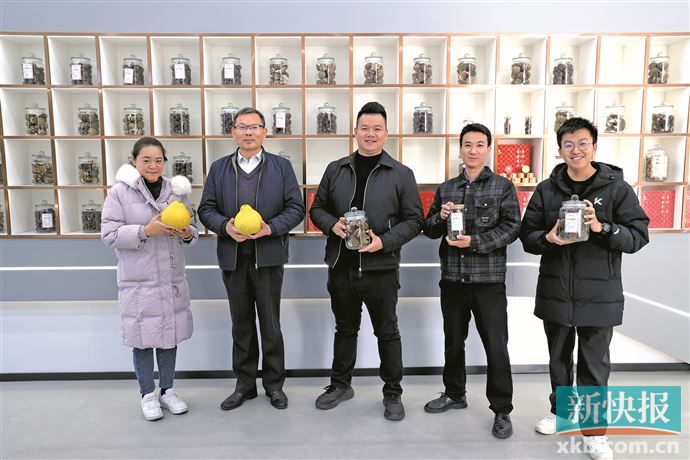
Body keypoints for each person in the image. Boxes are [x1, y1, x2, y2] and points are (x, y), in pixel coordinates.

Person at [520, 117, 649, 460]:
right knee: (558, 360)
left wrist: (602, 227)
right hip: (556, 291)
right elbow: (527, 236)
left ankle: (594, 433)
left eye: (582, 143)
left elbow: (638, 236)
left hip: (599, 295)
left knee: (594, 365)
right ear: (560, 149)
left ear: (594, 147)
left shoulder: (616, 189)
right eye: (568, 144)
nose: (575, 150)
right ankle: (562, 412)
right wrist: (548, 238)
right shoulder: (547, 189)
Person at [309, 102, 423, 421]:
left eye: (377, 129)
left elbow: (415, 220)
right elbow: (316, 208)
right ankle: (340, 385)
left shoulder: (401, 174)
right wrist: (331, 225)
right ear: (355, 131)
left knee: (387, 332)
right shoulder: (336, 169)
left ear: (386, 133)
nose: (370, 134)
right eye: (364, 128)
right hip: (341, 266)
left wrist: (383, 242)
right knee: (345, 330)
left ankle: (392, 392)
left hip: (381, 269)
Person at [198, 107, 304, 411]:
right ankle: (244, 385)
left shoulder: (281, 167)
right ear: (233, 132)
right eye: (242, 127)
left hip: (268, 256)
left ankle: (274, 385)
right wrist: (225, 226)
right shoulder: (219, 168)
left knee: (271, 324)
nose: (248, 132)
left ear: (264, 132)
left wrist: (270, 228)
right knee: (241, 324)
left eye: (254, 127)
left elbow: (296, 208)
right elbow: (206, 209)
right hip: (233, 258)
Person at [421, 123, 520, 439]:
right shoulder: (447, 188)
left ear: (488, 149)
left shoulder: (503, 186)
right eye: (467, 144)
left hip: (488, 281)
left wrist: (474, 242)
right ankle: (454, 393)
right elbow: (429, 228)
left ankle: (502, 409)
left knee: (496, 346)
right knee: (453, 341)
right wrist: (440, 217)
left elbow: (511, 228)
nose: (473, 150)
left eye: (479, 145)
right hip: (453, 279)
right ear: (460, 149)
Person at [101, 136, 198, 421]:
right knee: (142, 340)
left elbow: (193, 231)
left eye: (158, 160)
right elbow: (109, 235)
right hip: (138, 281)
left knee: (169, 337)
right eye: (146, 160)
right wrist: (145, 230)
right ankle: (147, 395)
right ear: (134, 161)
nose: (153, 166)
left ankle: (167, 391)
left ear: (164, 162)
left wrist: (187, 233)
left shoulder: (176, 191)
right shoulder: (119, 193)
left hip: (170, 279)